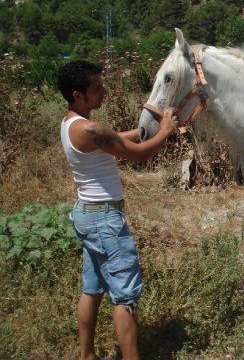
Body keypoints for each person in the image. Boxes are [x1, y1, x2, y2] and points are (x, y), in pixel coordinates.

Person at [57, 60, 177, 360]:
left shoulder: (70, 123)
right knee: (125, 296)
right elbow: (139, 156)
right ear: (77, 95)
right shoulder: (90, 127)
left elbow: (116, 141)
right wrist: (164, 131)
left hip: (88, 215)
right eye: (97, 88)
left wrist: (142, 129)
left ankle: (87, 355)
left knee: (92, 289)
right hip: (105, 220)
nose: (104, 92)